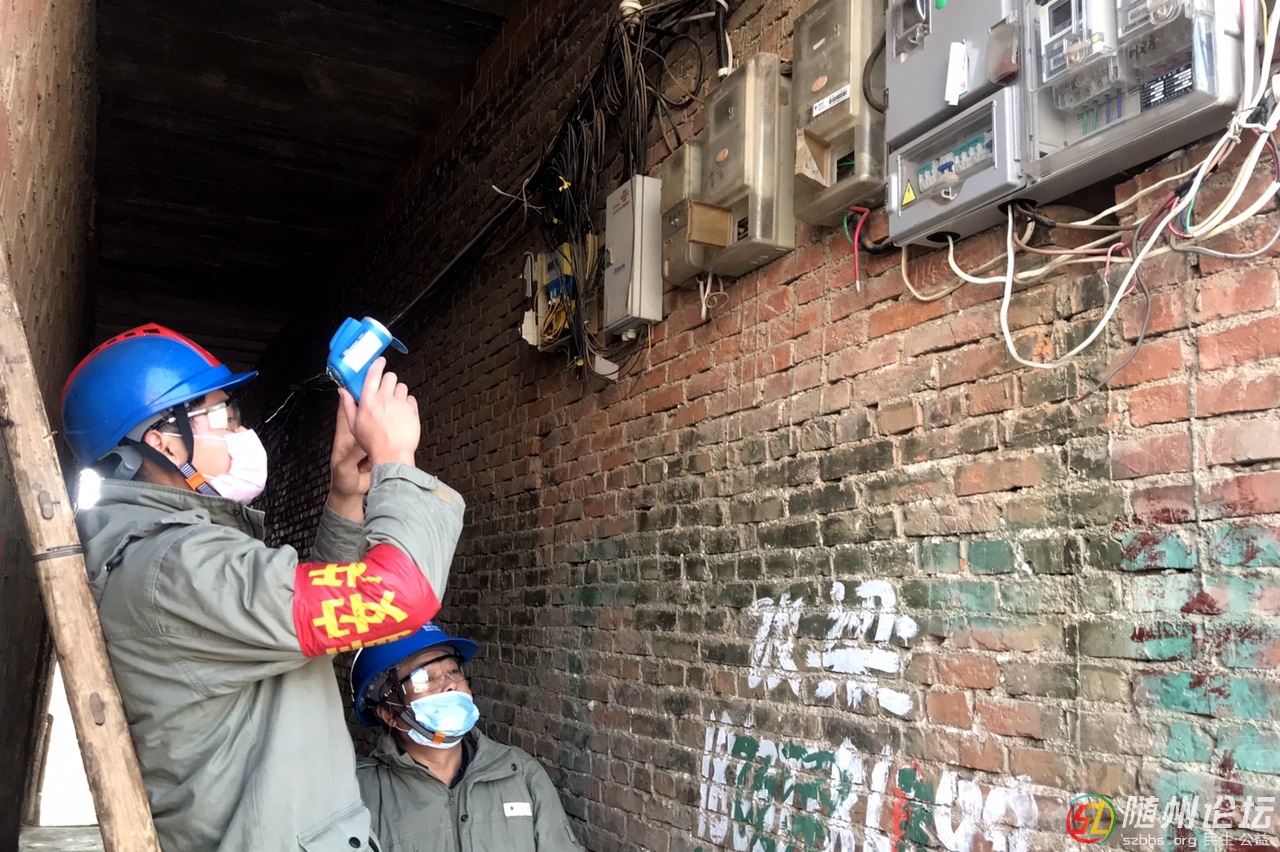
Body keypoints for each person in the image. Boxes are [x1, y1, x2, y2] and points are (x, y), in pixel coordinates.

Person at [62, 323, 465, 851]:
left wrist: (347, 498)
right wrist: (396, 461)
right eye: (224, 416)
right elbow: (393, 598)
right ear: (161, 441)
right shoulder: (178, 566)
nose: (240, 429)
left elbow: (310, 625)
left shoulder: (165, 556)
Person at [351, 623, 583, 852]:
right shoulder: (359, 798)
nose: (450, 685)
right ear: (389, 713)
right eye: (425, 678)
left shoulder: (520, 773)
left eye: (453, 671)